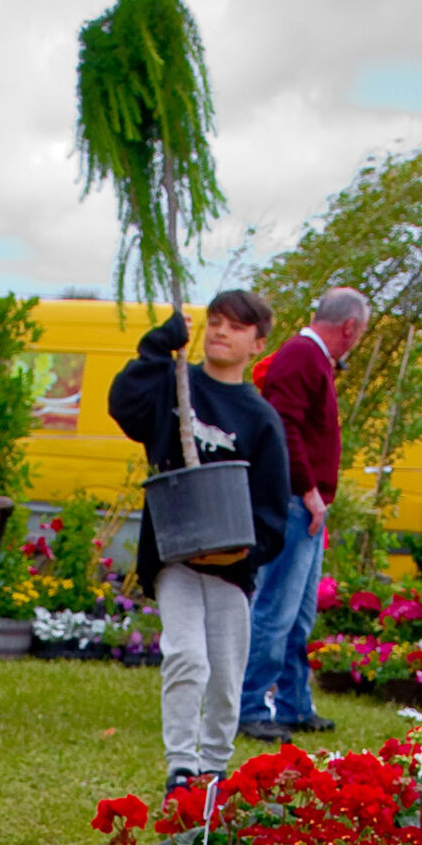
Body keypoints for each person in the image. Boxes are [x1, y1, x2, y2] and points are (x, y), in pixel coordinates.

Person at [108, 294, 290, 794]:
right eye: (214, 323)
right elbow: (122, 403)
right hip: (174, 555)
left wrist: (241, 551)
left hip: (231, 571)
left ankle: (214, 767)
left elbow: (273, 514)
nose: (220, 333)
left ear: (257, 343)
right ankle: (181, 768)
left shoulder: (260, 420)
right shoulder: (174, 386)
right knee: (186, 654)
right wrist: (157, 346)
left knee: (226, 674)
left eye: (235, 327)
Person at [236, 286, 371, 743]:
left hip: (307, 503)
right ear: (350, 327)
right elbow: (284, 428)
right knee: (276, 607)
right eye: (360, 333)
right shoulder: (302, 357)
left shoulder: (310, 360)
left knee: (298, 614)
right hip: (298, 502)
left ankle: (294, 703)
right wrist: (310, 491)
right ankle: (251, 703)